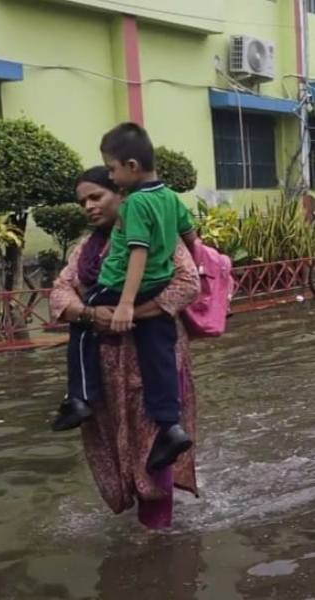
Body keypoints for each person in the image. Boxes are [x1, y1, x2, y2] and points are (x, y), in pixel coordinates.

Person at [48, 166, 201, 528]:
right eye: (82, 201)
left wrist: (129, 314)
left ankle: (157, 531)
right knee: (114, 439)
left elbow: (188, 282)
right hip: (104, 366)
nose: (88, 206)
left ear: (120, 194)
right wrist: (89, 315)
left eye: (96, 197)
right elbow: (59, 291)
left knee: (156, 439)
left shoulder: (155, 232)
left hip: (154, 361)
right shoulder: (84, 251)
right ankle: (137, 514)